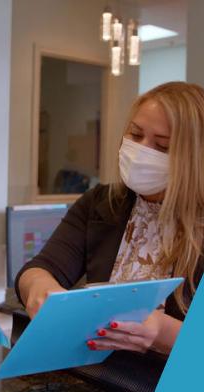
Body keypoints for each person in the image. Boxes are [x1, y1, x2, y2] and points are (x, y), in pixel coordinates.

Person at [17, 81, 204, 354]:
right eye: (135, 135)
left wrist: (162, 332)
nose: (140, 152)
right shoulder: (101, 203)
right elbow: (41, 267)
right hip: (98, 370)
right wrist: (39, 285)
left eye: (162, 146)